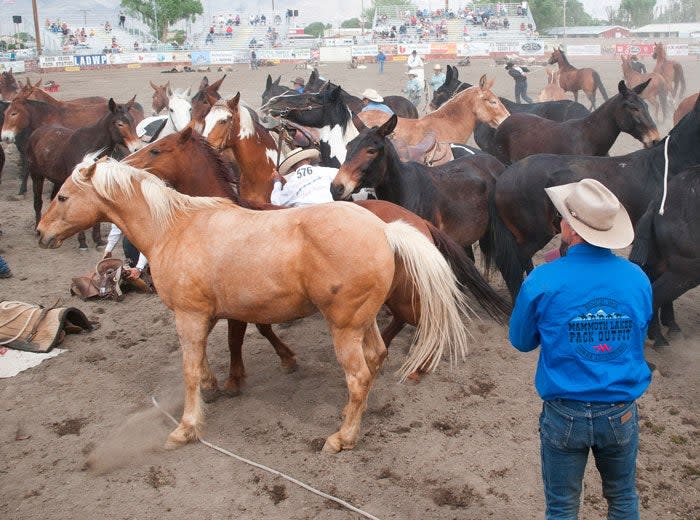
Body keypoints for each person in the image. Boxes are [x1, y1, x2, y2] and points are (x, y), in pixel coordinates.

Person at [509, 178, 652, 520]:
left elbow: (521, 340)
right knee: (623, 498)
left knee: (561, 506)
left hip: (564, 411)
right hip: (620, 410)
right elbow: (639, 328)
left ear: (570, 229)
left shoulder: (543, 279)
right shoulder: (637, 278)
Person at [270, 148, 336, 207]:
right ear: (309, 160)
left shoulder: (290, 185)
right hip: (331, 207)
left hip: (306, 215)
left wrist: (277, 181)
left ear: (292, 167)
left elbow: (276, 202)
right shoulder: (326, 171)